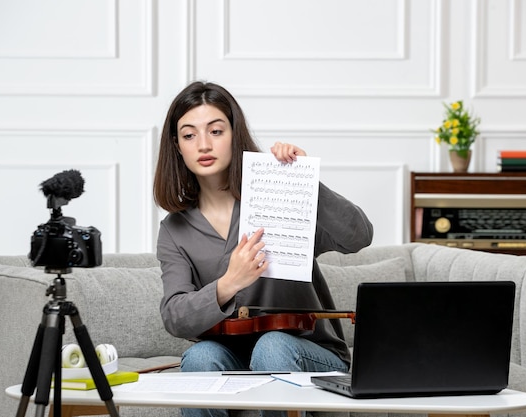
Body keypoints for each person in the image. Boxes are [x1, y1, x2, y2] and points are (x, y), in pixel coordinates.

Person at [153, 81, 373, 417]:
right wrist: (229, 283)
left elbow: (358, 236)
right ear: (177, 146)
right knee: (199, 357)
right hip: (231, 357)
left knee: (272, 347)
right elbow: (175, 316)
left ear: (234, 133)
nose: (203, 144)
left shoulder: (277, 196)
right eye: (189, 135)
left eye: (215, 131)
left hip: (308, 352)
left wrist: (304, 180)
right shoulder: (175, 229)